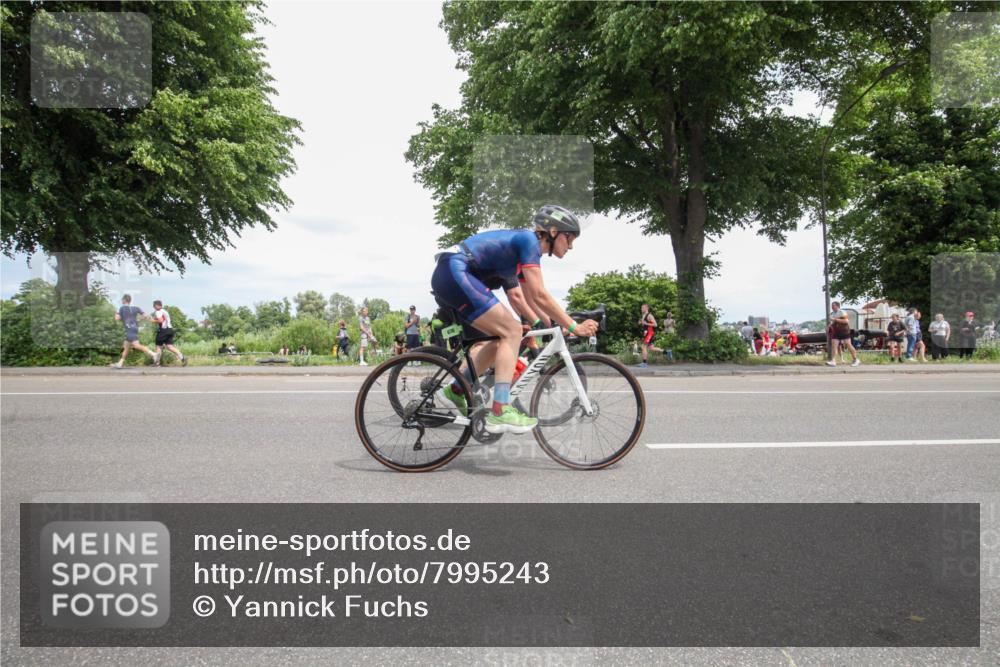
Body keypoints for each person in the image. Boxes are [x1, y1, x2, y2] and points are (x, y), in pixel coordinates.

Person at [430, 204, 598, 434]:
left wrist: (555, 328)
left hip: (450, 274)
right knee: (512, 331)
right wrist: (574, 326)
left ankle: (457, 389)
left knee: (504, 337)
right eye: (569, 239)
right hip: (455, 271)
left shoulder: (522, 251)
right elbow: (540, 293)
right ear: (553, 232)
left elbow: (531, 298)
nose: (571, 246)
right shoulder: (529, 242)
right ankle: (500, 409)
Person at [110, 294, 157, 368]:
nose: (122, 301)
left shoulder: (122, 308)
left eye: (122, 299)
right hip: (134, 328)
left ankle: (153, 354)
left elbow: (117, 318)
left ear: (124, 300)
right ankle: (120, 363)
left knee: (136, 345)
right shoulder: (135, 308)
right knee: (126, 346)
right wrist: (138, 320)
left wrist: (116, 313)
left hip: (129, 329)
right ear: (130, 300)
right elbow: (145, 316)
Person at [150, 300, 187, 366]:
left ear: (156, 306)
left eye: (154, 306)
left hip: (163, 330)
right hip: (170, 330)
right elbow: (163, 319)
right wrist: (155, 319)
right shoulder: (165, 311)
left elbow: (161, 320)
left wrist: (153, 321)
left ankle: (157, 363)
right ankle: (182, 357)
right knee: (170, 346)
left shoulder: (158, 311)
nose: (154, 307)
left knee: (158, 346)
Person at [826, 301, 859, 367]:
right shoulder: (832, 314)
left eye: (833, 305)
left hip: (844, 331)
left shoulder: (842, 312)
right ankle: (833, 361)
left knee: (848, 345)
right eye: (832, 306)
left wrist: (834, 319)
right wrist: (828, 326)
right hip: (836, 332)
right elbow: (833, 322)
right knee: (834, 345)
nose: (832, 307)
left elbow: (846, 321)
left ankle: (855, 360)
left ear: (837, 306)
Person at [638, 304, 661, 368]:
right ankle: (666, 352)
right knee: (651, 348)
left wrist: (646, 323)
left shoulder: (650, 315)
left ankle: (644, 363)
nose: (641, 309)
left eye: (642, 308)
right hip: (646, 333)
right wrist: (641, 322)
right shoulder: (643, 315)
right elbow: (644, 324)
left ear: (646, 308)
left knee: (643, 346)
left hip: (649, 333)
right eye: (641, 308)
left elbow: (655, 324)